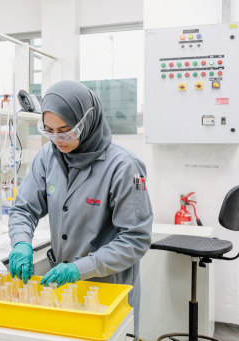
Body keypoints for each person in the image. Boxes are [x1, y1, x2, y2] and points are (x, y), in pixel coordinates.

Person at [8, 80, 152, 337]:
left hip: (108, 289)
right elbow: (24, 209)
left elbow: (135, 240)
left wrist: (79, 268)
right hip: (64, 291)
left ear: (88, 120)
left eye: (64, 130)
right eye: (49, 131)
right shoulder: (48, 157)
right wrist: (21, 242)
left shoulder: (123, 166)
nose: (57, 139)